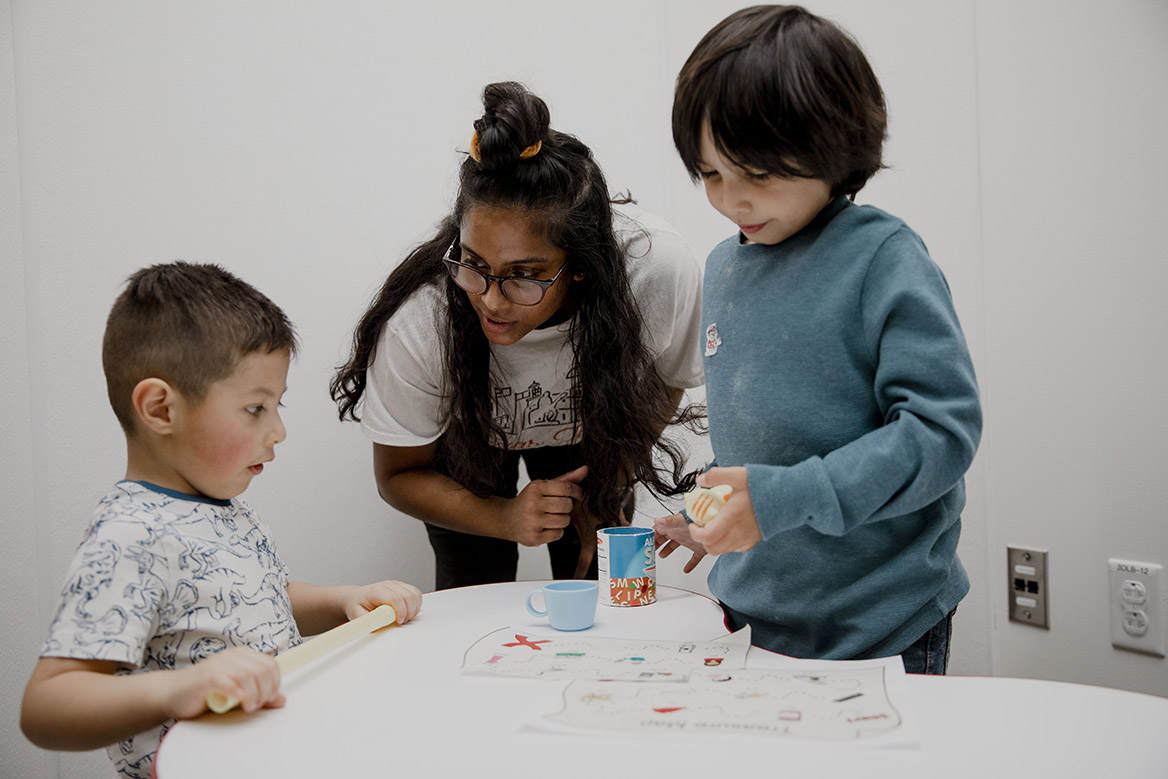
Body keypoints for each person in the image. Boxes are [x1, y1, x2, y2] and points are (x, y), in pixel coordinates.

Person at [656, 5, 982, 674]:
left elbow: (941, 433)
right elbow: (770, 439)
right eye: (712, 174)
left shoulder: (883, 259)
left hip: (881, 622)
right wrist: (710, 513)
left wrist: (779, 501)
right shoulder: (722, 267)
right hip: (756, 617)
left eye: (758, 174)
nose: (733, 201)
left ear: (835, 148)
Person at [21, 262, 423, 779]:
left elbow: (255, 604)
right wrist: (181, 688)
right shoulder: (131, 536)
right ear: (160, 409)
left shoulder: (225, 509)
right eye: (256, 408)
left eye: (277, 405)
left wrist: (341, 600)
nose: (278, 431)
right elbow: (46, 708)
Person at [331, 82, 704, 590]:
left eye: (524, 274)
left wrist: (613, 474)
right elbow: (397, 477)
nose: (490, 299)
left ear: (581, 265)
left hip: (597, 434)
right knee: (473, 594)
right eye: (475, 265)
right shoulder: (423, 319)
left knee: (609, 588)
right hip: (466, 450)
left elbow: (667, 380)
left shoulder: (656, 270)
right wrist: (504, 518)